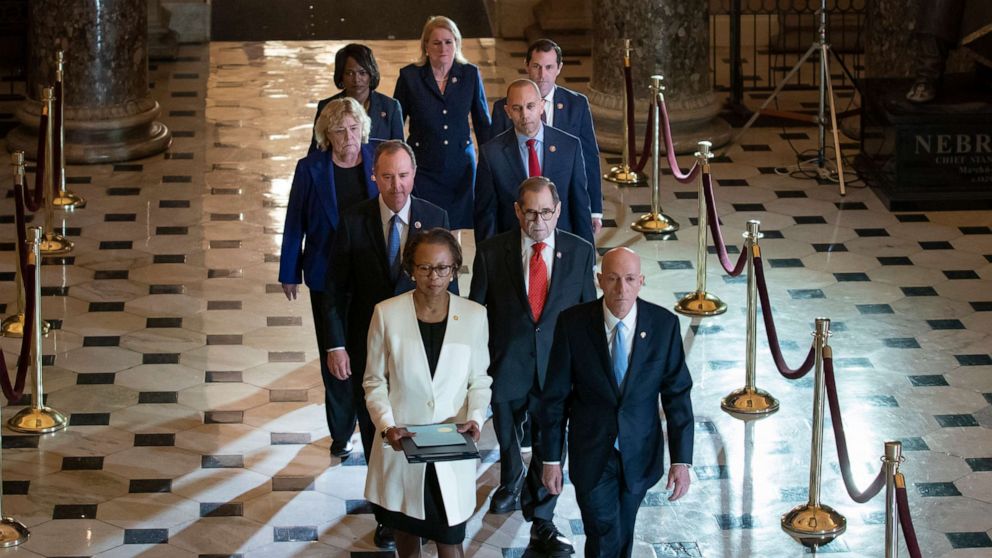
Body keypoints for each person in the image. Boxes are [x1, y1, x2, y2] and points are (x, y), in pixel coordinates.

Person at [324, 140, 454, 550]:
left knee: (422, 423)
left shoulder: (436, 217)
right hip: (371, 347)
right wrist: (336, 344)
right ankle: (387, 514)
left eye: (403, 175)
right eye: (387, 176)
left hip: (424, 347)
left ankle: (429, 507)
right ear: (373, 177)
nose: (396, 185)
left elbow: (452, 287)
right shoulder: (353, 221)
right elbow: (334, 290)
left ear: (413, 175)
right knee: (378, 428)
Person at [540, 248, 695, 558]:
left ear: (641, 281)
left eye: (629, 279)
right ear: (599, 280)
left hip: (639, 452)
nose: (621, 289)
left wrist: (681, 460)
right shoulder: (573, 324)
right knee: (604, 529)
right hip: (593, 453)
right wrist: (551, 458)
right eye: (612, 279)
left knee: (623, 528)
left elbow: (677, 395)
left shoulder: (664, 325)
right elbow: (555, 397)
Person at [469, 176, 595, 554]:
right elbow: (476, 313)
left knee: (549, 440)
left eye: (545, 212)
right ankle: (511, 481)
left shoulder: (579, 251)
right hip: (507, 364)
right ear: (517, 211)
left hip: (557, 368)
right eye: (529, 211)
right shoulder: (492, 252)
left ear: (557, 212)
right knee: (507, 434)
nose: (537, 220)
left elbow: (588, 313)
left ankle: (542, 518)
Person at [364, 229, 492, 558]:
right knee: (407, 542)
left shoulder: (475, 316)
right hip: (402, 445)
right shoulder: (386, 313)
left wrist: (476, 420)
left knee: (451, 542)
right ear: (410, 269)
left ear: (455, 269)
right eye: (424, 268)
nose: (434, 276)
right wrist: (387, 425)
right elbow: (374, 381)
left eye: (442, 268)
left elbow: (479, 380)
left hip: (451, 445)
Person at [279, 97, 379, 458]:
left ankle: (374, 421)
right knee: (335, 354)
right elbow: (295, 222)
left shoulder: (376, 161)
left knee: (369, 351)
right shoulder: (311, 169)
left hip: (371, 273)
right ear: (327, 135)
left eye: (354, 129)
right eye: (339, 130)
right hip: (326, 274)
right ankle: (341, 430)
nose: (348, 137)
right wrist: (289, 271)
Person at [491, 39, 603, 233]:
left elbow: (589, 159)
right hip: (518, 210)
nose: (542, 75)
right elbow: (494, 163)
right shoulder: (505, 108)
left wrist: (595, 211)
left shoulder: (577, 105)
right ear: (527, 66)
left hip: (561, 209)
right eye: (536, 66)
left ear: (559, 68)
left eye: (549, 67)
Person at [393, 15, 492, 230]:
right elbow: (395, 123)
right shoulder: (410, 77)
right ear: (426, 46)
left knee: (456, 226)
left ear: (457, 44)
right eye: (436, 42)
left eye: (449, 42)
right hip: (423, 166)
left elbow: (483, 123)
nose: (443, 48)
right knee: (424, 224)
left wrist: (491, 162)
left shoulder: (470, 74)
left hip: (461, 169)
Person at [474, 79, 594, 245]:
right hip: (512, 250)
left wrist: (588, 261)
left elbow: (580, 207)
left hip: (561, 248)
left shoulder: (569, 146)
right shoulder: (491, 153)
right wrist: (486, 263)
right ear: (507, 111)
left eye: (530, 106)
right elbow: (486, 216)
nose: (525, 115)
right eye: (517, 108)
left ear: (541, 106)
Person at [309, 43, 404, 152]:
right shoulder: (326, 107)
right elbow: (316, 150)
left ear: (371, 74)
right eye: (349, 73)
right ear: (341, 76)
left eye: (362, 73)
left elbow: (399, 152)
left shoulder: (391, 107)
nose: (356, 79)